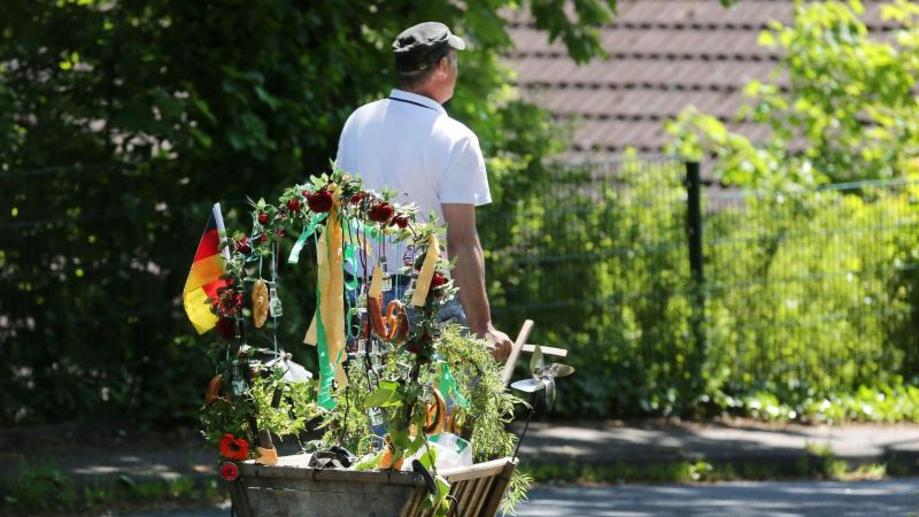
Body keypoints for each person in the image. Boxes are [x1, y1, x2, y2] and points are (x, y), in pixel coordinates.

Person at [335, 21, 512, 362]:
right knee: (441, 412)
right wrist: (483, 326)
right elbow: (462, 240)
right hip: (426, 299)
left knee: (371, 408)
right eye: (454, 60)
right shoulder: (455, 138)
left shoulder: (358, 122)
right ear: (443, 66)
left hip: (359, 297)